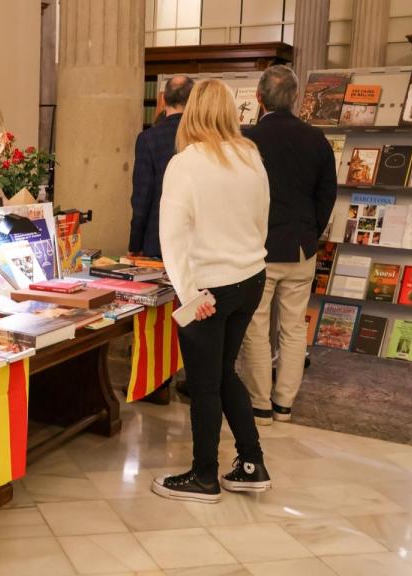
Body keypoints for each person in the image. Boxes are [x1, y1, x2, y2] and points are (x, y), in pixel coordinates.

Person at [152, 79, 272, 504]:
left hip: (209, 288)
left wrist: (188, 295)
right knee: (223, 374)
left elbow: (172, 238)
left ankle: (204, 475)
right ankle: (251, 464)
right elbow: (262, 219)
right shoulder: (250, 155)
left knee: (204, 384)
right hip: (251, 278)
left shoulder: (186, 163)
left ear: (192, 112)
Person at [239, 65, 337, 426]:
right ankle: (284, 405)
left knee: (256, 326)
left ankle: (260, 403)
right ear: (295, 98)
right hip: (301, 247)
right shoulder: (317, 138)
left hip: (259, 249)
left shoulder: (248, 141)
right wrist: (310, 231)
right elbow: (327, 193)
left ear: (259, 98)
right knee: (295, 329)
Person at [129, 75, 194, 258]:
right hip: (196, 240)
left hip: (157, 238)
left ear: (163, 99)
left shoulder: (148, 138)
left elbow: (141, 198)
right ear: (193, 101)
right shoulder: (203, 136)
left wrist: (135, 244)